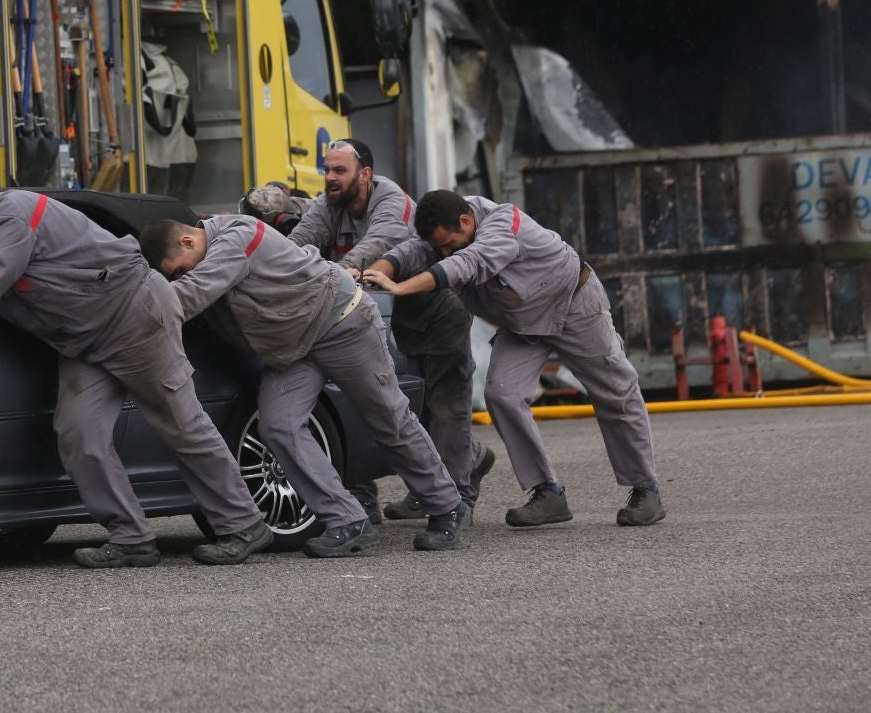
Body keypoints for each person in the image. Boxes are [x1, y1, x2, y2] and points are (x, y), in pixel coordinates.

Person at [0, 169, 272, 568]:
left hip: (133, 316)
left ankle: (243, 525)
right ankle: (131, 539)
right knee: (79, 433)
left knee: (181, 425)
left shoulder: (13, 212)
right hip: (84, 343)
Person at [141, 214, 470, 555]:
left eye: (178, 270)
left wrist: (120, 315)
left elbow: (191, 294)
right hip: (293, 349)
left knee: (389, 419)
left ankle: (448, 507)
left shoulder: (237, 238)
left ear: (187, 242)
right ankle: (348, 522)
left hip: (342, 324)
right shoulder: (207, 250)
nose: (182, 276)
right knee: (279, 427)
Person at [362, 191, 665, 528]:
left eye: (450, 244)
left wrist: (401, 288)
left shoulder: (503, 223)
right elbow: (408, 252)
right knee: (502, 394)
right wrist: (370, 275)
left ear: (466, 221)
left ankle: (646, 489)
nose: (446, 251)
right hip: (522, 325)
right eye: (441, 248)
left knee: (615, 390)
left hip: (572, 305)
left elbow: (468, 262)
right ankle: (547, 492)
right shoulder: (446, 231)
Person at [291, 141, 495, 522]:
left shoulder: (392, 202)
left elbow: (378, 244)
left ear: (364, 175)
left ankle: (457, 499)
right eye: (328, 170)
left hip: (435, 312)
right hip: (381, 317)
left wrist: (342, 269)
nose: (330, 179)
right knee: (388, 407)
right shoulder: (328, 203)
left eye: (340, 171)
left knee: (445, 406)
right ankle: (371, 498)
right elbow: (301, 238)